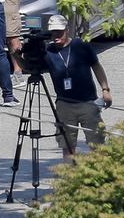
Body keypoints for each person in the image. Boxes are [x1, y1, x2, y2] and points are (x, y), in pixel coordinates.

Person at [43, 15, 112, 162]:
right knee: (67, 145)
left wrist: (105, 89)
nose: (56, 36)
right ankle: (70, 178)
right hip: (64, 104)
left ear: (67, 30)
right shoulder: (48, 51)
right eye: (53, 32)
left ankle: (101, 175)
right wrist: (16, 56)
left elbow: (96, 66)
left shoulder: (80, 46)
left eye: (59, 32)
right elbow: (30, 68)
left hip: (87, 101)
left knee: (97, 142)